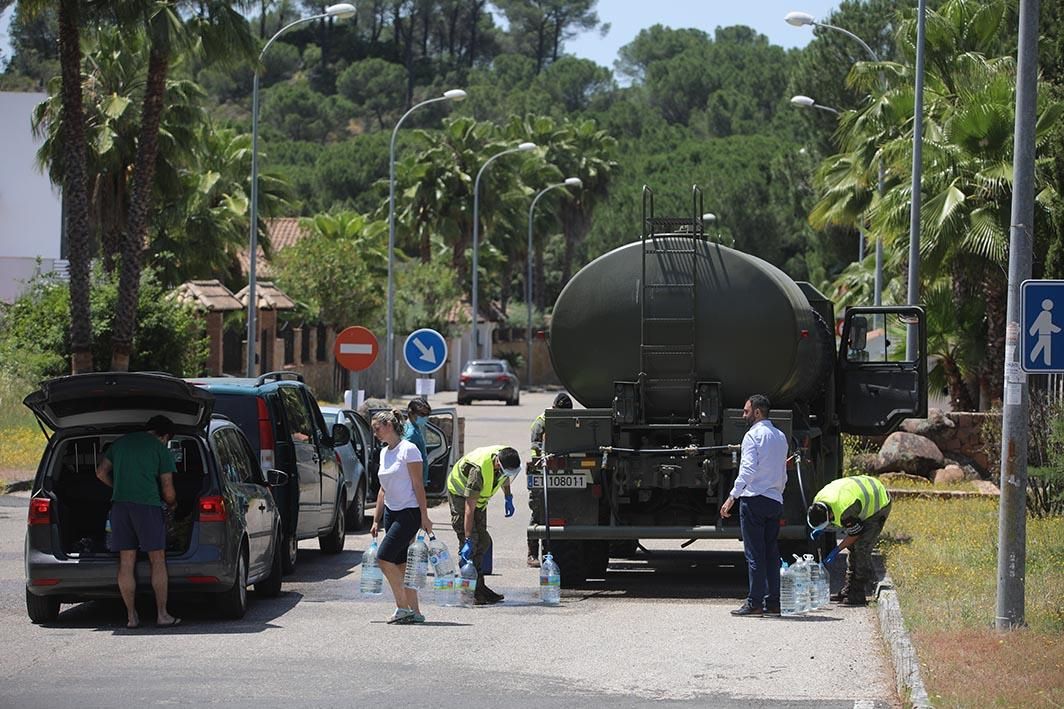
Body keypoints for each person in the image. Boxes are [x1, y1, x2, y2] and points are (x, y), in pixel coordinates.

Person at [94, 414, 180, 629]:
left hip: (120, 507)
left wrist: (117, 487)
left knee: (126, 561)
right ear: (165, 435)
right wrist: (172, 504)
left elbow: (100, 472)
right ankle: (162, 615)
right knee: (157, 560)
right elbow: (168, 488)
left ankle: (131, 617)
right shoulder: (160, 449)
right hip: (148, 506)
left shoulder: (121, 444)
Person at [719, 394, 788, 617]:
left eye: (746, 411)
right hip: (774, 500)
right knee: (771, 554)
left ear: (757, 412)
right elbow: (783, 473)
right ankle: (774, 602)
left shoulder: (752, 436)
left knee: (754, 555)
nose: (744, 415)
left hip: (754, 500)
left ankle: (754, 602)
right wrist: (778, 493)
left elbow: (747, 470)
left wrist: (732, 497)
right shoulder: (780, 436)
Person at [369, 409, 432, 624]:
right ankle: (414, 611)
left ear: (389, 426)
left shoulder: (409, 450)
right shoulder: (384, 452)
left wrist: (424, 516)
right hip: (391, 512)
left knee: (383, 558)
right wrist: (376, 519)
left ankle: (402, 607)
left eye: (377, 428)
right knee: (402, 564)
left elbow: (418, 485)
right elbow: (382, 489)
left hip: (409, 513)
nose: (375, 433)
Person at [447, 445, 522, 605]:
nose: (506, 475)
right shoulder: (478, 472)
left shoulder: (504, 460)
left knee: (484, 541)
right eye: (505, 471)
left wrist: (508, 497)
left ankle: (480, 586)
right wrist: (467, 539)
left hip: (479, 500)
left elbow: (504, 478)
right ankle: (470, 589)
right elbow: (469, 508)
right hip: (461, 496)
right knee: (472, 542)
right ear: (498, 464)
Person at [807, 474, 892, 606]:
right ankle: (849, 589)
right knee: (853, 547)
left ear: (829, 515)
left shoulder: (845, 511)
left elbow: (855, 535)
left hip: (879, 503)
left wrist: (837, 549)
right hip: (860, 493)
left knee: (861, 547)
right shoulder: (818, 501)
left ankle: (858, 591)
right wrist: (820, 529)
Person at [527, 391, 573, 567]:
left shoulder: (570, 420)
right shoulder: (542, 421)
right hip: (542, 470)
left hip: (561, 471)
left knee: (558, 511)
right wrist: (541, 461)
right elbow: (535, 448)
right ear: (554, 408)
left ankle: (548, 552)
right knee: (538, 512)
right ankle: (532, 553)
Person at [403, 397, 432, 484]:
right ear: (412, 413)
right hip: (412, 482)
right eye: (422, 414)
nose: (425, 418)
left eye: (427, 415)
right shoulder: (411, 434)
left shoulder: (414, 428)